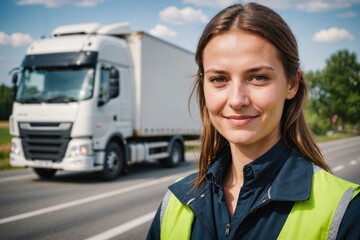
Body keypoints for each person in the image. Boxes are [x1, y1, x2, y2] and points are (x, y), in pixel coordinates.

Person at [147, 2, 360, 240]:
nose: (237, 100)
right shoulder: (175, 203)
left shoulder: (346, 213)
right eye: (219, 79)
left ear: (292, 84)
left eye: (258, 77)